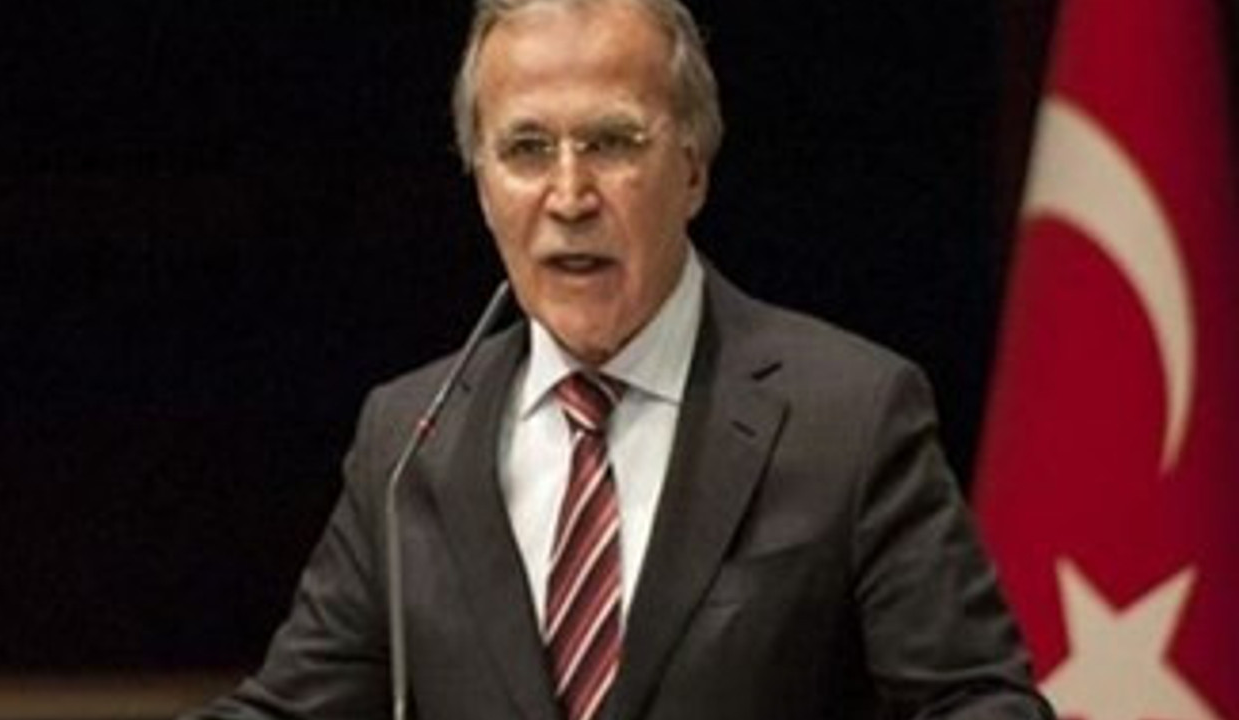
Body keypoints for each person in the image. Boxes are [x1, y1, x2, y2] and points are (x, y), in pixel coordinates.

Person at [185, 0, 1053, 718]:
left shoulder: (848, 418)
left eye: (611, 143)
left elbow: (979, 703)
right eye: (527, 150)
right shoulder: (412, 440)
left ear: (693, 171)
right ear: (482, 187)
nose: (569, 196)